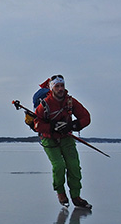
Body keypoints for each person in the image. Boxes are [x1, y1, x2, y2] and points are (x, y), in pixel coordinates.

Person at [34, 75, 92, 209]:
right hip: (49, 139)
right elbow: (37, 124)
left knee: (74, 166)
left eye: (62, 86)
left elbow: (86, 117)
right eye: (57, 86)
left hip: (66, 137)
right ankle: (60, 192)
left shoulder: (70, 102)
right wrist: (52, 126)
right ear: (51, 88)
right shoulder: (44, 105)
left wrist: (72, 126)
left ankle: (76, 197)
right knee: (59, 166)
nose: (60, 89)